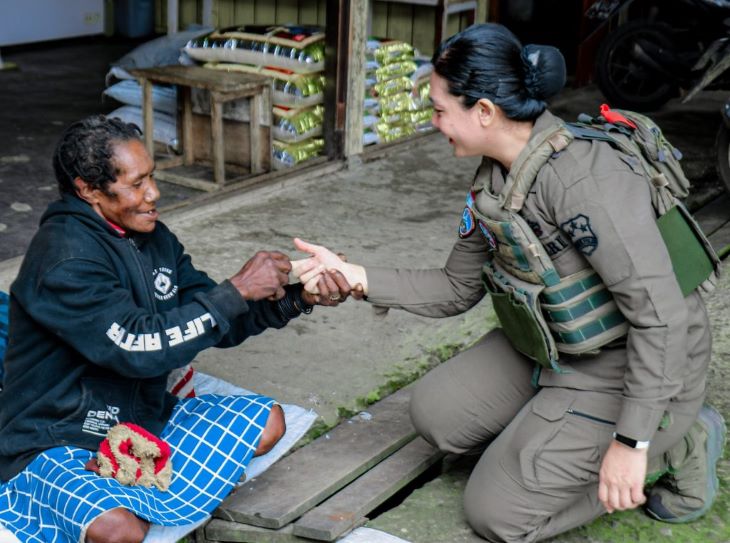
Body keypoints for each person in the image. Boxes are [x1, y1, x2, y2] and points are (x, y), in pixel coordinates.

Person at [291, 23, 726, 543]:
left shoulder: (586, 180)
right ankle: (557, 435)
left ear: (483, 111)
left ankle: (675, 439)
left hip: (630, 363)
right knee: (438, 416)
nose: (434, 123)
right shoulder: (497, 177)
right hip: (552, 347)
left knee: (497, 512)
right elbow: (457, 286)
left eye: (438, 110)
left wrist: (629, 445)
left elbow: (661, 317)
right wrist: (355, 277)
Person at [0, 114, 351, 543]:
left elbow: (211, 321)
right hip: (60, 431)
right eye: (136, 183)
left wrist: (297, 298)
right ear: (88, 189)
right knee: (119, 530)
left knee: (266, 423)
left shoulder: (154, 238)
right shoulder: (64, 258)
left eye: (152, 177)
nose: (154, 194)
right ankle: (71, 493)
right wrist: (236, 290)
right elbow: (137, 345)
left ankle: (117, 487)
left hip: (137, 418)